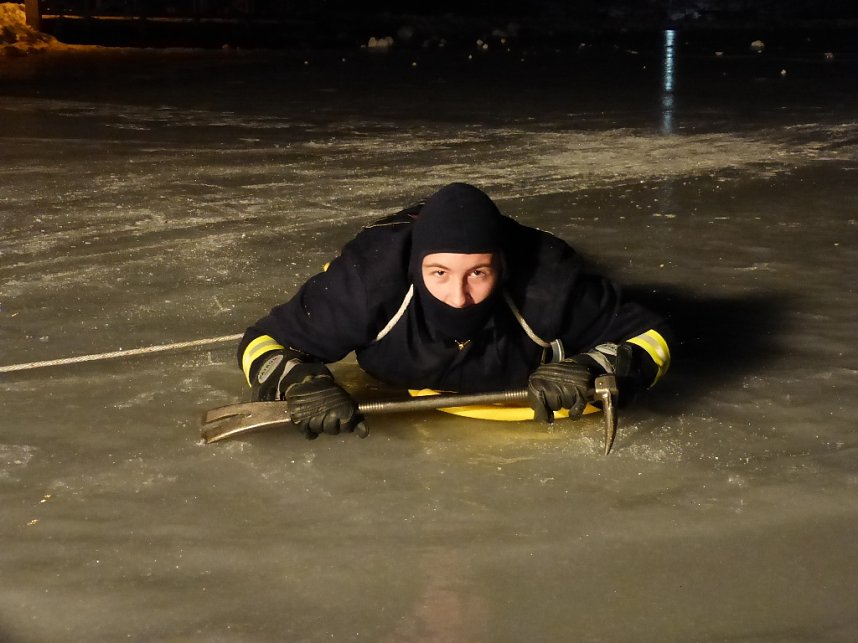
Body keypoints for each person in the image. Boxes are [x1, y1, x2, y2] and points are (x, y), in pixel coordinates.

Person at [237, 182, 671, 438]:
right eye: (439, 273)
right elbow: (262, 341)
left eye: (478, 273)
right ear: (416, 267)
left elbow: (653, 334)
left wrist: (594, 365)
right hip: (385, 248)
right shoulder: (366, 287)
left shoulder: (548, 284)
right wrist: (297, 380)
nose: (459, 296)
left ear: (500, 267)